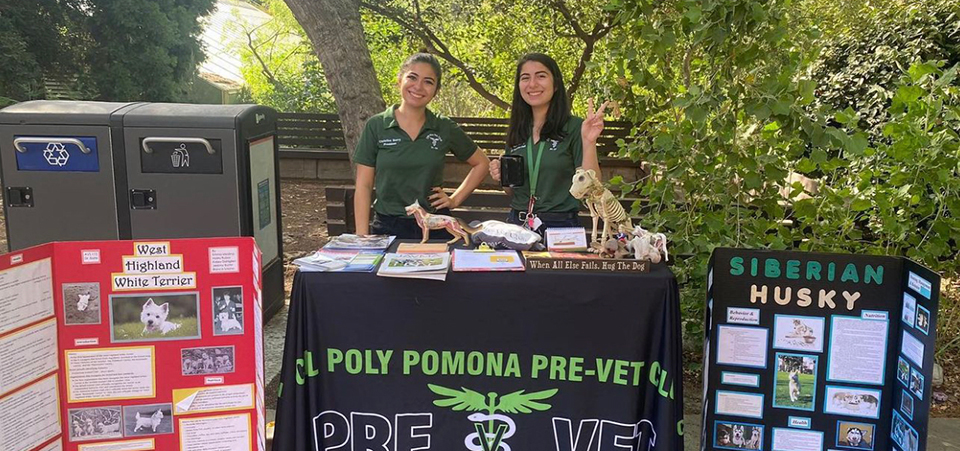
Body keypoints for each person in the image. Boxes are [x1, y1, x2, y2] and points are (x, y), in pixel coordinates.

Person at [354, 53, 490, 238]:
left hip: (435, 225)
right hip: (388, 226)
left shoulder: (443, 126)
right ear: (399, 80)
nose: (418, 87)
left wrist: (454, 199)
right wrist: (361, 238)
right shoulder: (376, 125)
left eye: (428, 81)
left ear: (436, 90)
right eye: (412, 77)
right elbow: (364, 185)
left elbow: (482, 163)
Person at [488, 53, 608, 234]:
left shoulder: (575, 127)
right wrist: (501, 173)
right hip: (518, 224)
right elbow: (511, 192)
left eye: (541, 76)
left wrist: (589, 142)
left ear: (556, 84)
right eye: (525, 78)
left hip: (561, 227)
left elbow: (593, 187)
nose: (532, 84)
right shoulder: (517, 129)